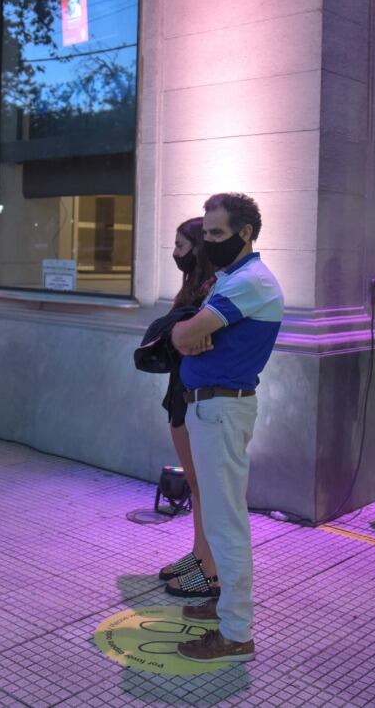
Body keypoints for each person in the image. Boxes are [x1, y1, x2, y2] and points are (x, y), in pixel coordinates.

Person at [168, 193, 283, 664]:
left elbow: (185, 335)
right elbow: (194, 335)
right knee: (218, 518)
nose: (207, 242)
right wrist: (192, 334)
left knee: (226, 522)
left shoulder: (250, 282)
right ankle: (226, 608)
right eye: (207, 233)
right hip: (210, 408)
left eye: (216, 233)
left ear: (246, 233)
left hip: (221, 410)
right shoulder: (231, 279)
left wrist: (185, 334)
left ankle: (236, 631)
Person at [154, 218, 220, 599]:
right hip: (180, 389)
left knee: (205, 486)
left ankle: (210, 569)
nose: (176, 253)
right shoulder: (196, 287)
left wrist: (179, 337)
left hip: (196, 394)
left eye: (181, 245)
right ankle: (199, 556)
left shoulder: (214, 290)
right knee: (197, 485)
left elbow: (194, 341)